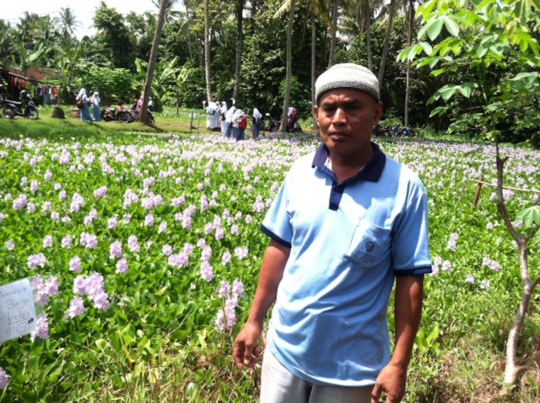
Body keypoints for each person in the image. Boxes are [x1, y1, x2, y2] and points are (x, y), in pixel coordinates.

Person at [233, 63, 431, 403]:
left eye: (353, 107)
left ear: (377, 114)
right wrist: (254, 320)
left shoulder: (405, 188)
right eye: (330, 108)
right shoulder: (298, 174)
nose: (339, 118)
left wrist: (399, 364)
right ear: (316, 115)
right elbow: (278, 249)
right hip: (284, 353)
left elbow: (410, 281)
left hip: (354, 370)